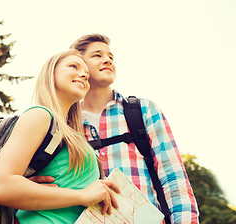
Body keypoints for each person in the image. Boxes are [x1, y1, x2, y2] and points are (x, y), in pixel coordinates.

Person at [69, 34, 200, 223]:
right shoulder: (66, 124)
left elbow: (173, 178)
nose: (107, 60)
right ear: (78, 66)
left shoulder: (143, 110)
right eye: (97, 55)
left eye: (110, 57)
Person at [0, 49, 119, 223]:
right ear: (51, 73)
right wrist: (82, 195)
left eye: (86, 75)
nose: (84, 76)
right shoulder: (40, 115)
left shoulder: (71, 134)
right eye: (73, 66)